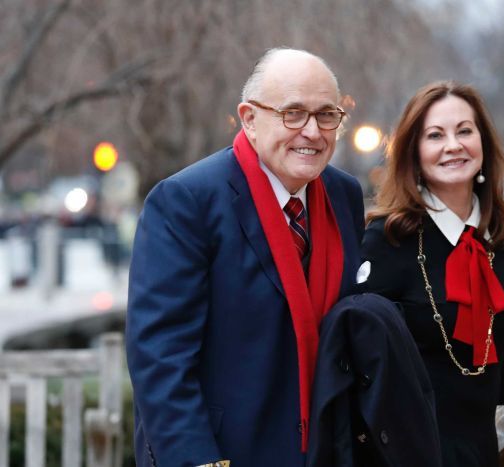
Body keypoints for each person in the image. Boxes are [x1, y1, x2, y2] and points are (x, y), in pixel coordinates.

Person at [125, 48, 365, 467]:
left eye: (327, 115)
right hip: (224, 452)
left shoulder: (344, 196)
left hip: (328, 450)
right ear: (250, 119)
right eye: (293, 113)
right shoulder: (187, 201)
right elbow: (160, 356)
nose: (312, 131)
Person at [358, 80, 504, 466]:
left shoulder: (500, 234)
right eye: (435, 135)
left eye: (465, 131)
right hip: (409, 451)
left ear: (483, 142)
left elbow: (493, 348)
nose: (453, 145)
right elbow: (360, 358)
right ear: (414, 152)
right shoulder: (387, 237)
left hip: (483, 449)